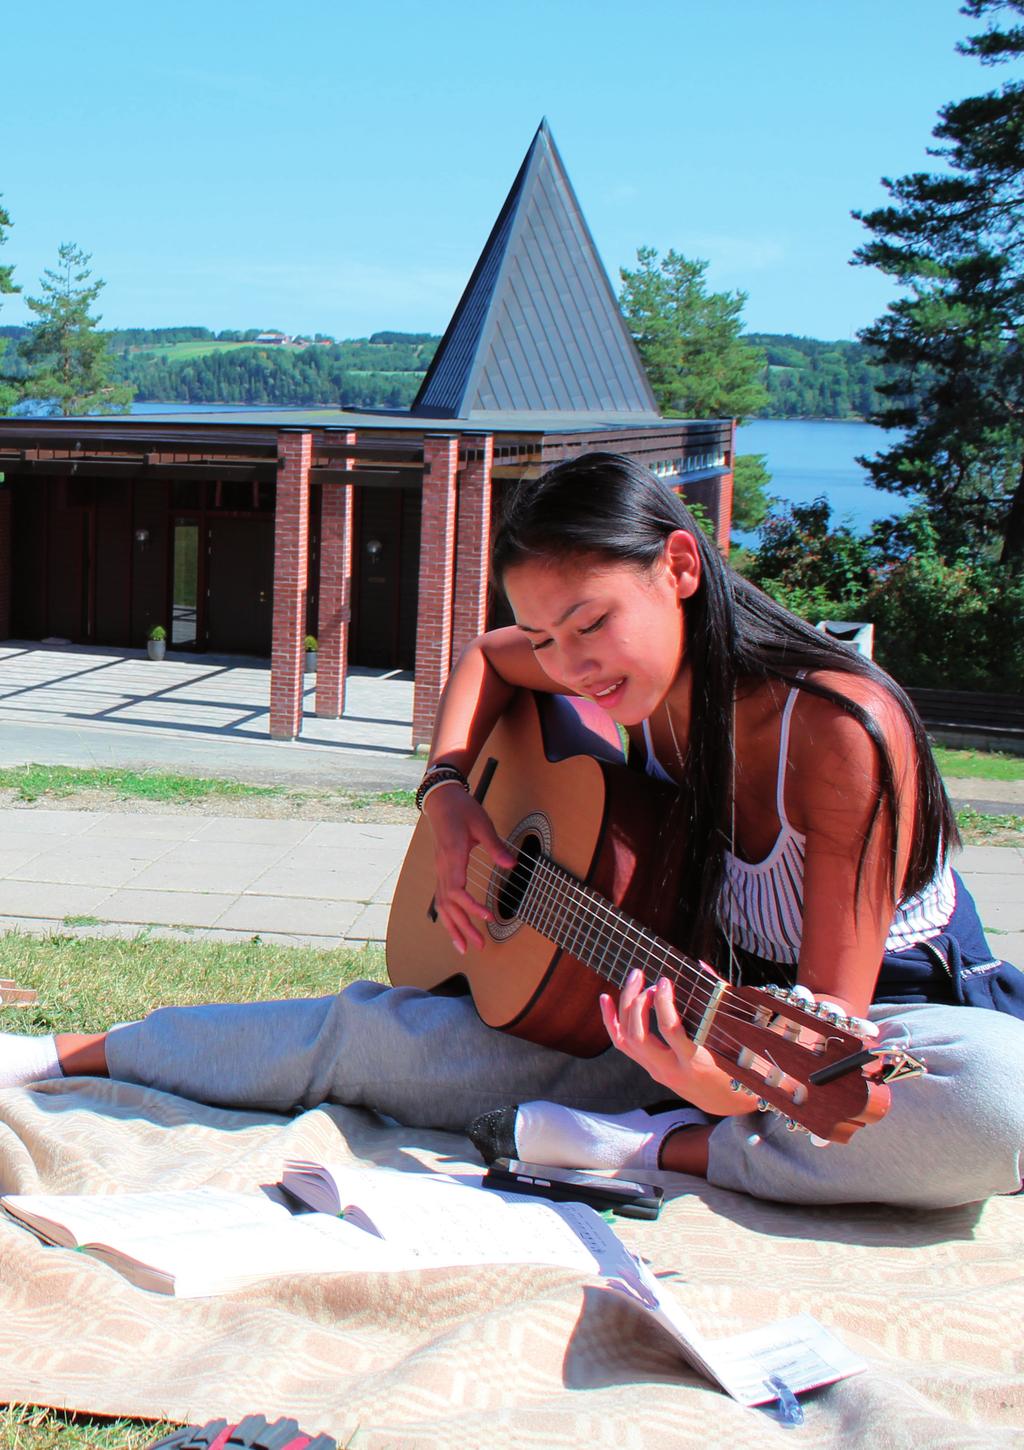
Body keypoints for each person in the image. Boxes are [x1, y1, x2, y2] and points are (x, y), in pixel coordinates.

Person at [2, 452, 1022, 1210]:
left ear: (678, 565)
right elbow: (490, 660)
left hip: (873, 1033)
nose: (571, 664)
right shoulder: (600, 667)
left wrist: (709, 1088)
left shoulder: (840, 728)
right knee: (364, 1031)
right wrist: (448, 796)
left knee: (995, 1105)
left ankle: (648, 1149)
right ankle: (60, 1055)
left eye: (589, 623)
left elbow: (830, 1043)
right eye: (548, 635)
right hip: (669, 1015)